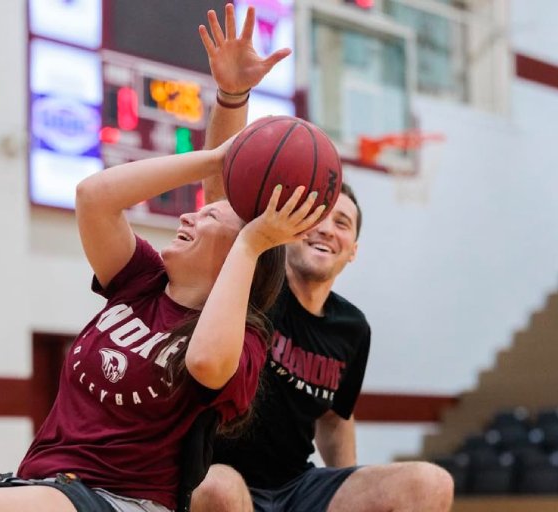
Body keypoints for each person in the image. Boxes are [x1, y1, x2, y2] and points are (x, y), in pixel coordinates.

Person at [0, 118, 328, 510]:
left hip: (120, 501)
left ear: (240, 249)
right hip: (42, 484)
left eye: (209, 216)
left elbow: (204, 365)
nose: (186, 215)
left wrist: (254, 241)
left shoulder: (242, 339)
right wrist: (218, 158)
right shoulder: (142, 282)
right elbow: (94, 197)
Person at [191, 4, 455, 512]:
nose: (328, 230)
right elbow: (220, 188)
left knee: (429, 483)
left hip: (296, 488)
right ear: (290, 224)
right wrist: (232, 94)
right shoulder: (257, 276)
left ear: (352, 250)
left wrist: (348, 492)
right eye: (320, 214)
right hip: (219, 480)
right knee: (220, 488)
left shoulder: (352, 329)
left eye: (343, 224)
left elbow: (335, 421)